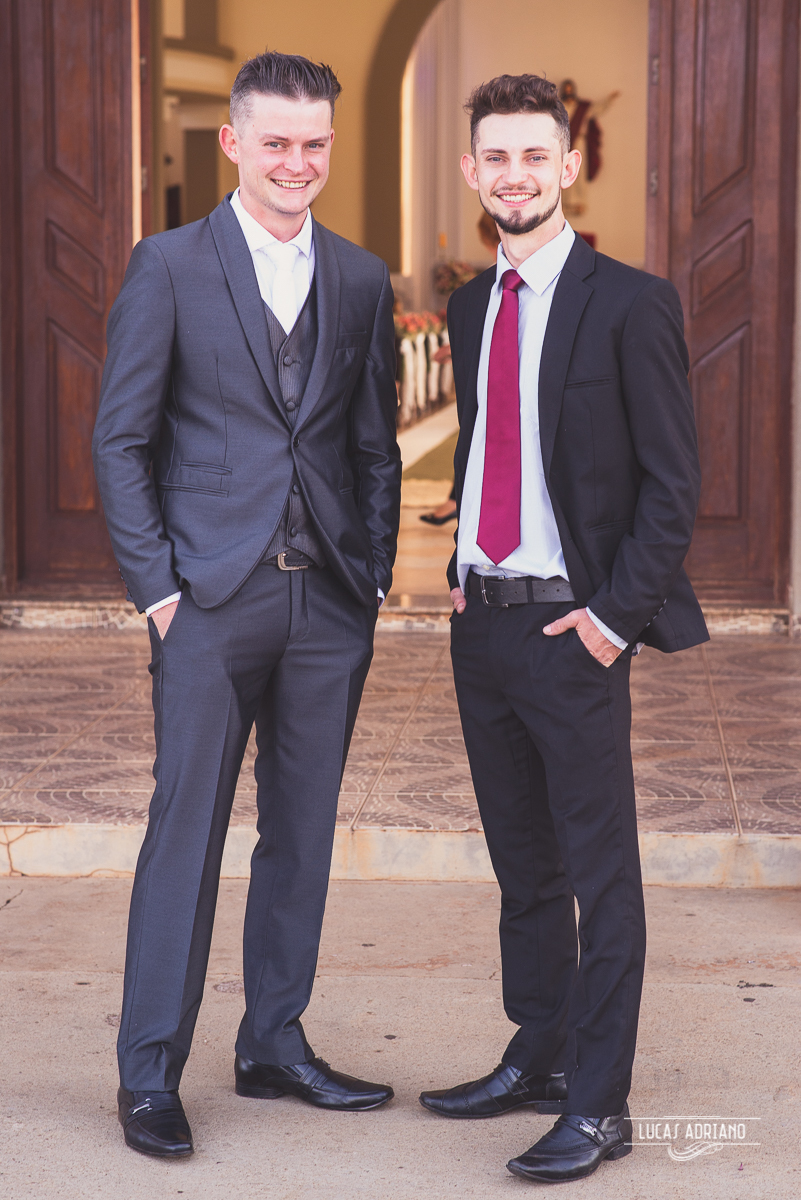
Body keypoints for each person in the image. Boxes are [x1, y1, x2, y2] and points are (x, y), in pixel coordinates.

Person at [92, 51, 401, 1159]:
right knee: (187, 834)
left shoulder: (359, 277)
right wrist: (159, 593)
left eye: (314, 143)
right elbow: (121, 439)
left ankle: (273, 1040)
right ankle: (147, 1073)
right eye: (276, 142)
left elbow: (371, 442)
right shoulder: (170, 265)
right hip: (208, 605)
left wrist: (370, 577)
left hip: (327, 605)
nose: (297, 162)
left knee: (302, 835)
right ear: (233, 143)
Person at [418, 73, 707, 1184]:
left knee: (599, 873)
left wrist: (611, 621)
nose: (515, 175)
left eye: (534, 155)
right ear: (471, 170)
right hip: (483, 628)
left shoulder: (631, 303)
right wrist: (461, 562)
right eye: (496, 157)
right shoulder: (468, 306)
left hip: (572, 633)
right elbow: (490, 443)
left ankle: (600, 1103)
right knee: (523, 865)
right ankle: (537, 1054)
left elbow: (672, 486)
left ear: (568, 166)